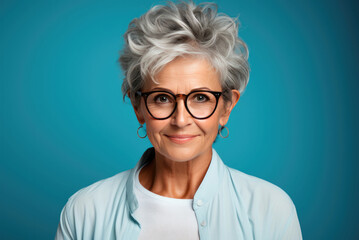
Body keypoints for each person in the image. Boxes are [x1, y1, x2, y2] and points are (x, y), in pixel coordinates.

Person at [55, 1, 302, 239]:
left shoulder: (270, 210)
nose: (181, 119)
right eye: (162, 98)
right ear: (138, 106)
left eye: (201, 98)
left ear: (226, 107)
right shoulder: (85, 211)